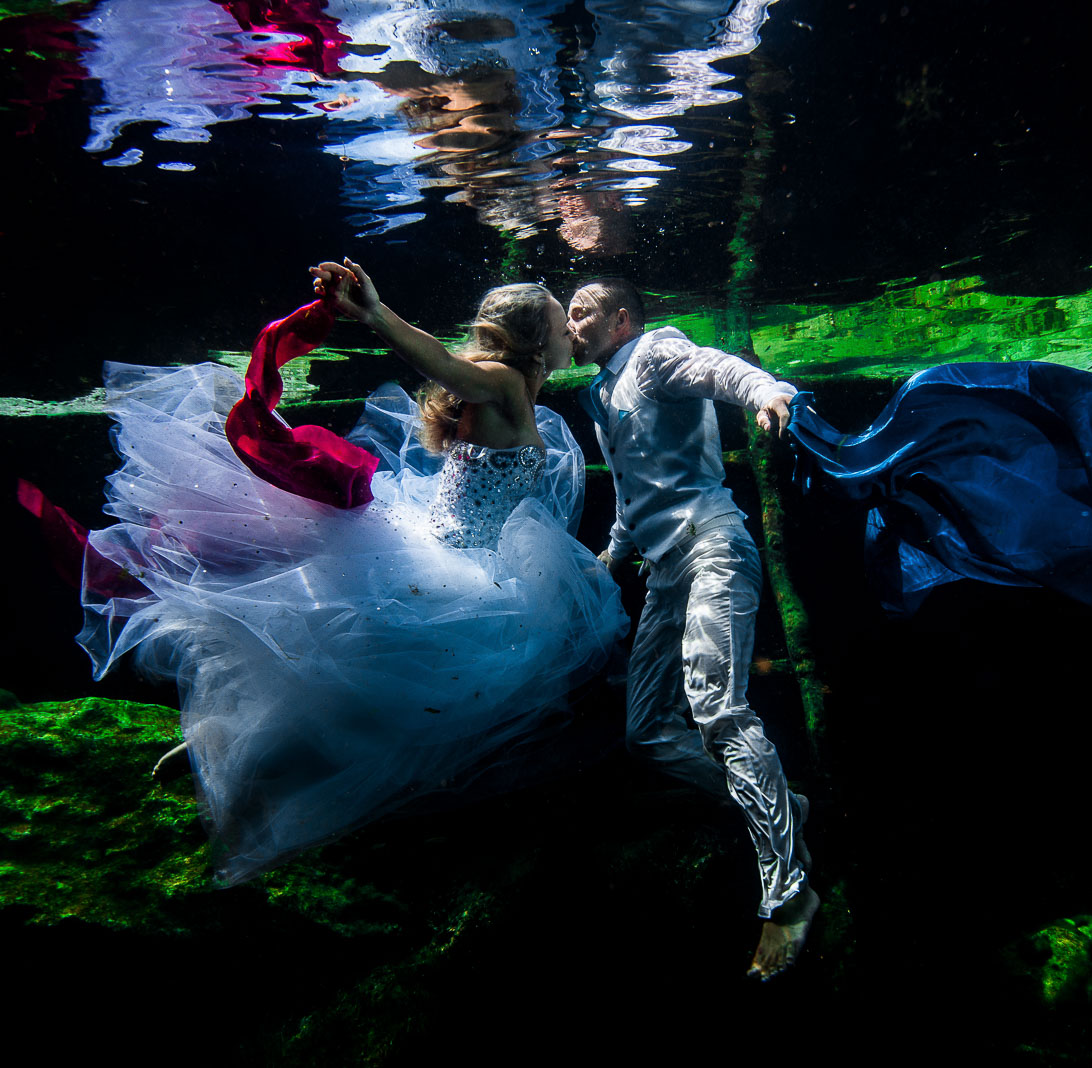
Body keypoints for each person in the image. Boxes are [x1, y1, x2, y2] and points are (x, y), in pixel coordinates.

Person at [76, 263, 628, 885]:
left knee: (374, 693)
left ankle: (229, 741)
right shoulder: (500, 380)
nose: (572, 333)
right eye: (562, 323)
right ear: (533, 339)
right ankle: (235, 760)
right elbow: (442, 365)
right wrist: (375, 313)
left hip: (466, 558)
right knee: (381, 697)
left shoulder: (517, 392)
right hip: (447, 567)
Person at [566, 277, 821, 981]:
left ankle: (790, 893)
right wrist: (613, 553)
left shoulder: (653, 352)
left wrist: (768, 391)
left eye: (582, 311)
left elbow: (718, 368)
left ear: (621, 320)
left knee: (717, 709)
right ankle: (782, 803)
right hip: (664, 570)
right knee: (645, 730)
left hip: (712, 550)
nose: (570, 321)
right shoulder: (598, 393)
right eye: (567, 313)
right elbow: (630, 487)